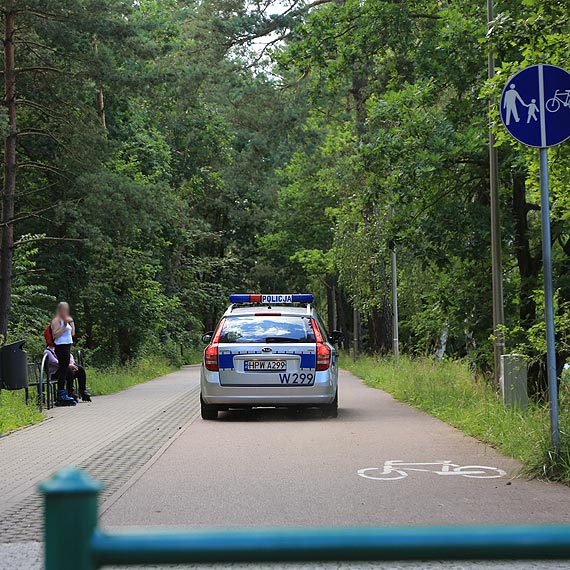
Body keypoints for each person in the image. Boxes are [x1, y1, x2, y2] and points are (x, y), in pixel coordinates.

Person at [51, 302, 77, 406]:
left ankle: (65, 392)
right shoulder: (56, 321)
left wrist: (72, 323)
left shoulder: (66, 320)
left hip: (67, 345)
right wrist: (64, 325)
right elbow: (55, 335)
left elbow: (72, 333)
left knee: (65, 369)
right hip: (60, 346)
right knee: (63, 369)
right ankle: (61, 393)